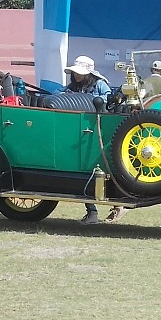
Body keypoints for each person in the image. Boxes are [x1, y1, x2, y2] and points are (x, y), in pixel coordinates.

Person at [62, 55, 125, 224]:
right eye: (75, 73)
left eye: (79, 73)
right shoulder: (72, 87)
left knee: (104, 168)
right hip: (78, 132)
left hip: (98, 130)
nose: (76, 76)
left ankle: (118, 206)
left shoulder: (100, 85)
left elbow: (108, 102)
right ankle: (92, 212)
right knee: (82, 170)